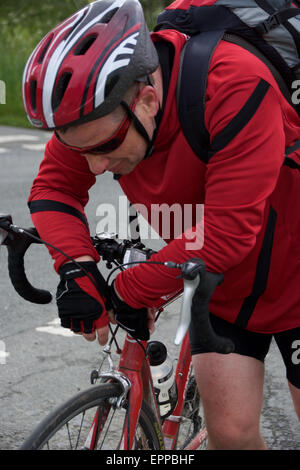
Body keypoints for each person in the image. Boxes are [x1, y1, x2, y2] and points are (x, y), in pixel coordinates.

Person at [22, 0, 300, 450]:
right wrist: (76, 268)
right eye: (81, 150)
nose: (94, 167)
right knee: (230, 435)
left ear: (147, 100)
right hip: (222, 289)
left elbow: (228, 230)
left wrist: (129, 291)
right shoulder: (99, 115)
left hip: (295, 271)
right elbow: (54, 188)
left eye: (106, 147)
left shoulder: (233, 83)